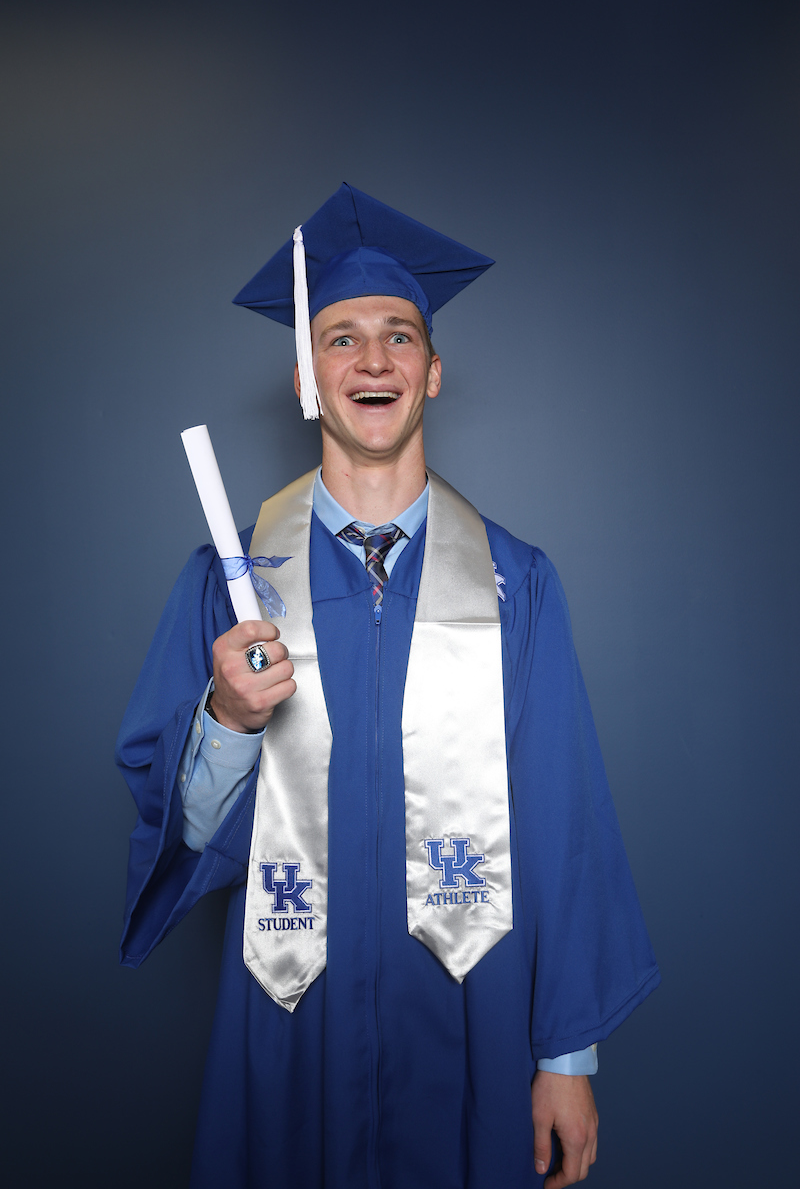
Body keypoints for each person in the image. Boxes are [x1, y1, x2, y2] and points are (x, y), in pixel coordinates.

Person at [117, 184, 659, 1189]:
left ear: (432, 373)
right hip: (291, 1011)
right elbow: (178, 834)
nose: (372, 359)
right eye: (341, 338)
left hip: (469, 1010)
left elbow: (562, 816)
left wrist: (565, 1056)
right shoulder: (231, 584)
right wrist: (229, 719)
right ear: (305, 380)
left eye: (398, 336)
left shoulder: (513, 582)